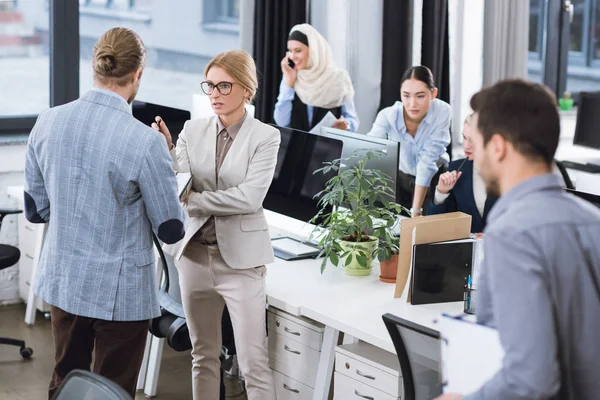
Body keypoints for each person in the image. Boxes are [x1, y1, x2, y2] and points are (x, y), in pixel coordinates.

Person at [23, 27, 185, 399]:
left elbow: (36, 211)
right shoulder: (145, 142)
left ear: (94, 65)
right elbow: (171, 229)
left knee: (66, 380)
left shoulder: (47, 121)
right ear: (138, 73)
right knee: (112, 390)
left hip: (64, 282)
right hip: (120, 295)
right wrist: (165, 160)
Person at [436, 80, 600, 400]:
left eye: (478, 141)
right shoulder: (592, 220)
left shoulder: (511, 233)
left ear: (497, 147)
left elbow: (531, 380)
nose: (474, 154)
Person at [153, 50, 280, 400]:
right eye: (210, 85)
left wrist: (194, 200)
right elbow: (179, 182)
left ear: (246, 88)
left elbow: (249, 198)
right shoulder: (192, 130)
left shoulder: (265, 137)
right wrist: (168, 154)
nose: (215, 93)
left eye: (224, 85)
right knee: (203, 356)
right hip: (194, 258)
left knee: (253, 363)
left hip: (241, 263)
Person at [367, 66, 451, 217]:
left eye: (420, 96)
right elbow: (369, 149)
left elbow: (427, 162)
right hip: (400, 178)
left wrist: (416, 210)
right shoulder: (388, 116)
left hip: (433, 178)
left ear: (433, 93)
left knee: (427, 231)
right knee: (396, 228)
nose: (412, 104)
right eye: (406, 95)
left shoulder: (442, 111)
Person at [273, 23, 359, 132]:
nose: (293, 56)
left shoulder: (339, 78)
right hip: (298, 147)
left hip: (329, 147)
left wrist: (347, 125)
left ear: (314, 50)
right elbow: (281, 122)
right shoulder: (291, 76)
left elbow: (352, 119)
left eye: (298, 51)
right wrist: (289, 83)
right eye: (290, 51)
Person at [428, 114, 497, 233]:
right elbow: (434, 228)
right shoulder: (457, 169)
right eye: (464, 138)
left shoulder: (508, 174)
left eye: (473, 140)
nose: (466, 145)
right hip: (465, 249)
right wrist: (441, 193)